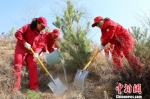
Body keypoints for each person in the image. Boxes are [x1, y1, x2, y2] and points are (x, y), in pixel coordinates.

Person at [12, 16, 48, 93]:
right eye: (42, 26)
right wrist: (24, 43)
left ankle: (34, 88)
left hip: (32, 52)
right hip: (21, 50)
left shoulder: (42, 34)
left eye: (44, 27)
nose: (43, 28)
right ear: (37, 23)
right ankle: (14, 89)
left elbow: (41, 45)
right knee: (18, 67)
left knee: (33, 66)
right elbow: (17, 33)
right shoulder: (27, 27)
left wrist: (37, 53)